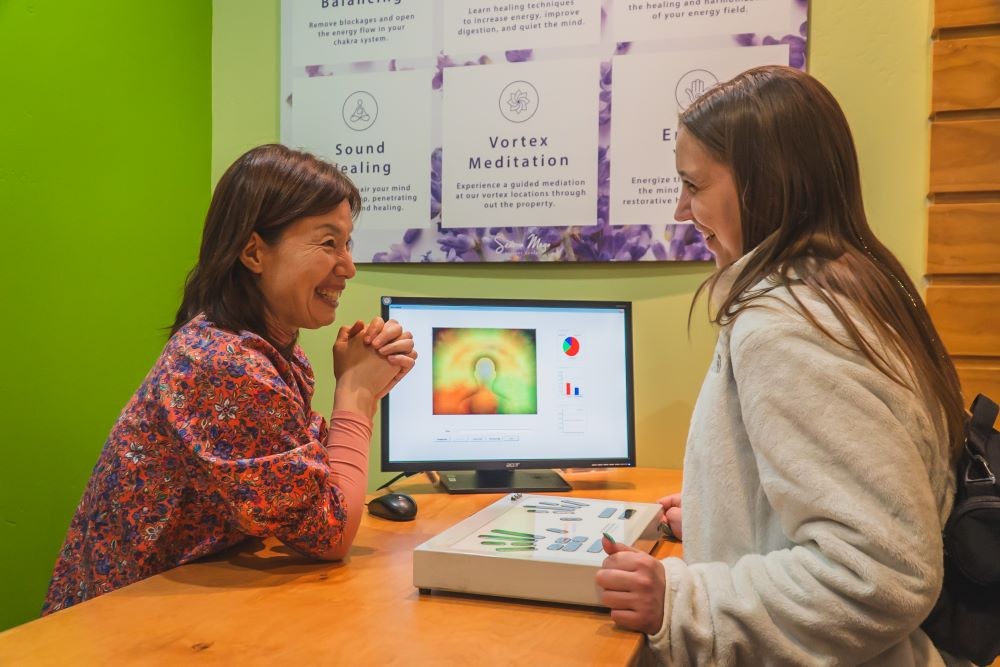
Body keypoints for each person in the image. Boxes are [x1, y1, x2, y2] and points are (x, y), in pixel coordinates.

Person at [596, 66, 969, 665]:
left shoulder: (789, 325)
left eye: (693, 185)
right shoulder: (852, 287)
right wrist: (728, 519)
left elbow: (877, 576)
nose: (680, 207)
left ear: (763, 184)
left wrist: (683, 600)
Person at [43, 144, 416, 614]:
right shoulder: (226, 365)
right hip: (120, 624)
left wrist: (365, 384)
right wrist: (357, 393)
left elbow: (308, 486)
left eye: (347, 244)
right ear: (254, 252)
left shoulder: (268, 353)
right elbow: (330, 529)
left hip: (177, 606)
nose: (348, 267)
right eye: (328, 243)